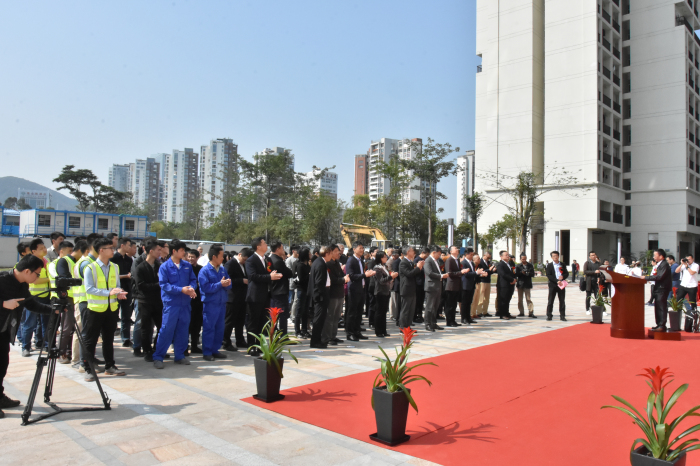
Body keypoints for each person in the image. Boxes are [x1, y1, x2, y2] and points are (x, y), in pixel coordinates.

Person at [0, 255, 58, 417]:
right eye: (37, 274)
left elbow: (30, 303)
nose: (38, 278)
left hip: (4, 331)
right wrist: (3, 304)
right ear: (27, 271)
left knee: (2, 365)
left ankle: (0, 397)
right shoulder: (2, 279)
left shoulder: (22, 285)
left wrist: (53, 310)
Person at [82, 238, 128, 381]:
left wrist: (119, 292)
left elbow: (117, 285)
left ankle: (110, 365)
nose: (113, 250)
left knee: (108, 339)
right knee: (91, 340)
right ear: (101, 250)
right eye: (110, 248)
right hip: (95, 310)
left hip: (112, 308)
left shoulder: (114, 267)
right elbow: (89, 289)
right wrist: (109, 292)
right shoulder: (90, 268)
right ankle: (88, 369)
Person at [153, 240, 197, 369]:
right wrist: (181, 290)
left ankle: (179, 356)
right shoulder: (165, 267)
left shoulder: (187, 266)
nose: (184, 253)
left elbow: (193, 280)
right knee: (166, 330)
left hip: (185, 304)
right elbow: (164, 285)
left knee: (183, 330)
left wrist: (191, 288)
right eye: (182, 250)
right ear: (174, 251)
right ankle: (158, 357)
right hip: (171, 304)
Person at [245, 238, 283, 355]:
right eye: (264, 243)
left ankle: (260, 345)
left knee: (262, 322)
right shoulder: (251, 260)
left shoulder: (267, 259)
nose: (266, 245)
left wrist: (272, 275)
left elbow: (267, 273)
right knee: (253, 322)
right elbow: (253, 276)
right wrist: (269, 277)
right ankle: (251, 346)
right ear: (258, 247)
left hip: (266, 295)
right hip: (255, 296)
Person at [47, 240, 81, 364]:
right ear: (61, 251)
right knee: (62, 327)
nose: (71, 253)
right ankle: (59, 351)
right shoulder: (55, 263)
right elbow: (59, 279)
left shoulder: (74, 262)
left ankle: (68, 350)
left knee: (70, 327)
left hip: (73, 297)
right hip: (59, 297)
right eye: (69, 251)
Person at [198, 245, 232, 361]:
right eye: (221, 256)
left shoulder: (222, 270)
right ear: (214, 257)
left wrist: (227, 283)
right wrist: (220, 284)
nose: (223, 258)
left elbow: (229, 283)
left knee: (219, 328)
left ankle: (215, 350)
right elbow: (205, 288)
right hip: (210, 304)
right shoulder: (204, 271)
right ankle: (207, 352)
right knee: (209, 328)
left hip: (221, 303)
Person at [134, 240, 163, 362]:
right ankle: (147, 351)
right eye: (158, 250)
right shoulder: (140, 267)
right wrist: (158, 285)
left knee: (162, 326)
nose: (160, 252)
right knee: (146, 328)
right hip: (145, 302)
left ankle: (157, 349)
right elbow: (141, 286)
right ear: (151, 251)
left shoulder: (159, 266)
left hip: (158, 301)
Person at [21, 238, 50, 356]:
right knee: (30, 323)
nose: (44, 250)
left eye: (44, 247)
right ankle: (25, 347)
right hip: (32, 297)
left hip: (46, 295)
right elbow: (35, 281)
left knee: (45, 323)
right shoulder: (30, 263)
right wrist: (50, 279)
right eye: (41, 248)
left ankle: (46, 345)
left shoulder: (47, 262)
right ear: (33, 251)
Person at [346, 242, 376, 339]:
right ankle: (350, 333)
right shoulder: (351, 260)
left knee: (359, 312)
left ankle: (357, 331)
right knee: (352, 312)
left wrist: (368, 274)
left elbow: (361, 274)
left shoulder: (361, 260)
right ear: (354, 249)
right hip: (353, 289)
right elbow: (351, 275)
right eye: (360, 248)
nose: (362, 250)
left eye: (363, 248)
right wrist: (364, 275)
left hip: (361, 288)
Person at [224, 248, 251, 351]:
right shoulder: (231, 264)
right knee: (230, 321)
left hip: (242, 297)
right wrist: (241, 280)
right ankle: (226, 341)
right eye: (244, 259)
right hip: (232, 297)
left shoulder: (243, 264)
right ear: (239, 255)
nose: (244, 262)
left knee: (240, 321)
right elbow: (227, 279)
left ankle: (240, 340)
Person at [110, 238, 134, 347]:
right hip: (116, 291)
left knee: (126, 316)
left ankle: (126, 338)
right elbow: (112, 276)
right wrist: (125, 276)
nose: (130, 247)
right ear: (122, 245)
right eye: (128, 245)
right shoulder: (113, 258)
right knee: (113, 315)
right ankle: (109, 337)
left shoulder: (129, 260)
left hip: (127, 290)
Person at [324, 245, 349, 344]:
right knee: (330, 316)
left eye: (339, 251)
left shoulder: (337, 263)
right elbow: (331, 279)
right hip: (332, 293)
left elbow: (341, 275)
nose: (338, 253)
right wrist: (343, 279)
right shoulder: (328, 264)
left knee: (336, 316)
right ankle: (328, 337)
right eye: (336, 251)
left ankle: (333, 336)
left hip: (339, 293)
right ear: (330, 252)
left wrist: (344, 278)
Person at [268, 242, 295, 336]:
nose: (283, 250)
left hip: (274, 291)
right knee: (282, 315)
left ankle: (275, 334)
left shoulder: (270, 258)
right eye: (282, 248)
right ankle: (283, 336)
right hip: (280, 291)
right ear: (278, 249)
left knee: (274, 315)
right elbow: (289, 273)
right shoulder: (278, 261)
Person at [308, 246, 332, 348]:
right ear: (327, 254)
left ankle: (317, 340)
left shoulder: (319, 262)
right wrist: (322, 295)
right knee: (318, 319)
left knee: (320, 319)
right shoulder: (320, 264)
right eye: (331, 254)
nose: (331, 256)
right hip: (320, 297)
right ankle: (315, 342)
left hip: (320, 295)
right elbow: (319, 283)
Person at [397, 246, 424, 329]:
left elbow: (414, 273)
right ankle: (403, 327)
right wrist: (418, 267)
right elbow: (409, 273)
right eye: (412, 251)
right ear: (408, 252)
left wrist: (419, 268)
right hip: (406, 289)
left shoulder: (410, 262)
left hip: (412, 289)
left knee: (411, 310)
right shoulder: (403, 262)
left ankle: (408, 327)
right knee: (405, 309)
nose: (414, 252)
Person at [645, 249, 672, 331]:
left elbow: (659, 276)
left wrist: (646, 277)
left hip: (662, 288)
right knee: (657, 307)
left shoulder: (664, 264)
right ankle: (659, 324)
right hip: (658, 288)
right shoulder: (659, 264)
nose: (654, 257)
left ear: (661, 256)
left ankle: (662, 325)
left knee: (661, 307)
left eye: (655, 255)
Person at [372, 251, 396, 337]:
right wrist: (391, 277)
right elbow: (381, 281)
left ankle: (383, 330)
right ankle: (378, 331)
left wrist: (391, 278)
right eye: (384, 257)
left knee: (384, 312)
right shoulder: (377, 268)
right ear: (380, 258)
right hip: (380, 292)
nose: (386, 258)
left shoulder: (384, 266)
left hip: (386, 291)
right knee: (379, 312)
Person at [444, 246, 469, 327]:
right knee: (450, 305)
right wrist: (461, 272)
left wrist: (461, 272)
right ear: (451, 251)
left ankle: (453, 320)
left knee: (454, 305)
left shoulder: (457, 260)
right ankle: (449, 321)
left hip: (457, 285)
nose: (457, 249)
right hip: (451, 285)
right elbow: (450, 273)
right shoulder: (449, 260)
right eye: (455, 248)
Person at [291, 248, 311, 338]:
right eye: (309, 253)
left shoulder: (307, 265)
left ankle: (304, 330)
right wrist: (309, 275)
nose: (310, 255)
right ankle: (297, 331)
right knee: (299, 311)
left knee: (305, 311)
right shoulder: (300, 266)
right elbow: (301, 279)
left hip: (307, 290)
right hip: (301, 290)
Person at [187, 249, 204, 353]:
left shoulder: (201, 269)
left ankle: (194, 345)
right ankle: (184, 346)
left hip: (198, 300)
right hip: (187, 300)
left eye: (192, 257)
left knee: (197, 323)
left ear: (198, 258)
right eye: (189, 256)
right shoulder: (185, 268)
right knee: (186, 324)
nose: (190, 259)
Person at [545, 251, 569, 321]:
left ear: (558, 256)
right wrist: (556, 281)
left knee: (562, 300)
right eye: (553, 256)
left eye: (556, 256)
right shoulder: (549, 265)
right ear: (551, 257)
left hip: (561, 284)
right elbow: (548, 275)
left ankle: (562, 316)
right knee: (550, 300)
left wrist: (563, 276)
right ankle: (549, 315)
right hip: (553, 285)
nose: (555, 257)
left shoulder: (562, 264)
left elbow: (566, 273)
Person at [459, 248, 481, 325]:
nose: (472, 256)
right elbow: (466, 274)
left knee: (469, 302)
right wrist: (476, 273)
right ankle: (464, 318)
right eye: (471, 254)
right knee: (464, 303)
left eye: (472, 254)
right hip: (465, 285)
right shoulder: (463, 263)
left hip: (471, 285)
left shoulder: (471, 263)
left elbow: (472, 273)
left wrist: (478, 273)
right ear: (466, 254)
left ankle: (468, 317)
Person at [496, 250, 517, 320]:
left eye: (508, 255)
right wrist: (511, 279)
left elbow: (514, 272)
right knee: (503, 300)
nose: (508, 256)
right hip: (503, 285)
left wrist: (515, 279)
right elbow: (503, 274)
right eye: (506, 255)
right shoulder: (500, 264)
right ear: (501, 256)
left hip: (510, 285)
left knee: (508, 299)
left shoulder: (510, 264)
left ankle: (507, 313)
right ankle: (502, 314)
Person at [475, 252, 496, 317]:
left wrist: (492, 271)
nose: (489, 256)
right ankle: (479, 312)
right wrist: (488, 270)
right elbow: (480, 271)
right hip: (482, 281)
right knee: (481, 297)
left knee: (486, 298)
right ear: (484, 255)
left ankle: (485, 311)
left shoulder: (489, 263)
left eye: (490, 255)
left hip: (488, 281)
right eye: (488, 255)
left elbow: (489, 272)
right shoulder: (480, 262)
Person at [516, 253, 536, 318]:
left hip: (527, 284)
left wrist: (527, 273)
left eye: (525, 259)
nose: (524, 260)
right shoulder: (518, 266)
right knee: (520, 299)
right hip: (520, 284)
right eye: (522, 259)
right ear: (520, 259)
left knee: (528, 299)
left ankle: (531, 312)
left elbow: (532, 274)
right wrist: (521, 273)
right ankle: (521, 312)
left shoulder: (530, 265)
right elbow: (516, 274)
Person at [583, 251, 602, 315]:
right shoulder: (587, 263)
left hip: (596, 282)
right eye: (592, 255)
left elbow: (601, 272)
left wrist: (599, 278)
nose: (593, 256)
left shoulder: (598, 264)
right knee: (588, 296)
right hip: (589, 282)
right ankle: (587, 309)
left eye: (594, 255)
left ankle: (601, 309)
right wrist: (594, 272)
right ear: (589, 257)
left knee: (598, 296)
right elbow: (585, 271)